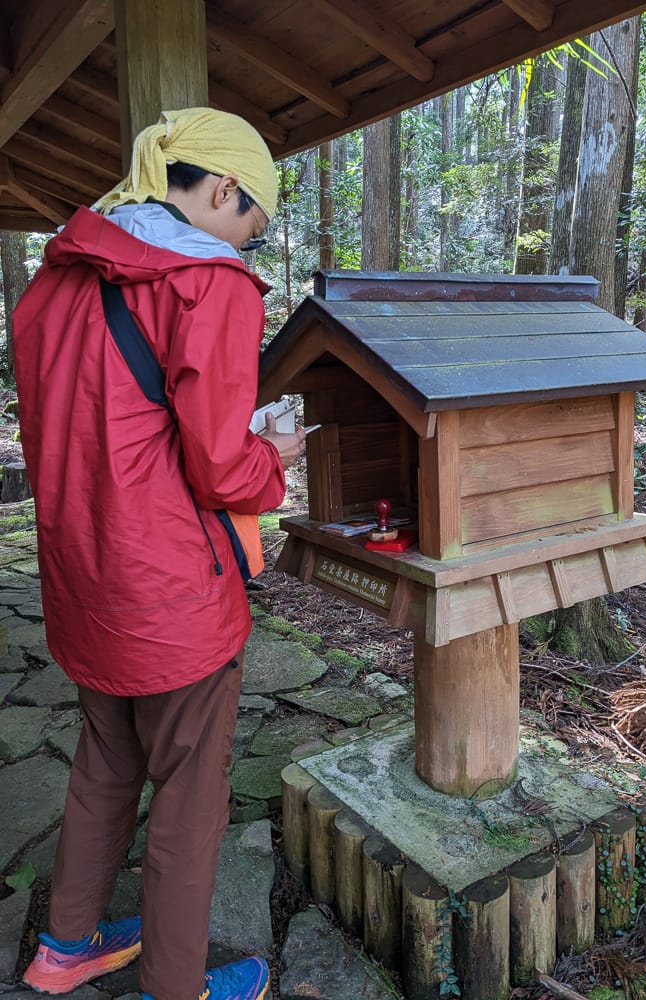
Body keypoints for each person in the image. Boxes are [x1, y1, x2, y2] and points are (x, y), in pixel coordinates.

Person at [13, 107, 305, 1000]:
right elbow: (219, 465)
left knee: (105, 758)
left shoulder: (50, 286)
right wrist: (275, 462)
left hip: (83, 577)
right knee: (188, 792)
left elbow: (101, 432)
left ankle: (67, 947)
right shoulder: (205, 286)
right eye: (251, 225)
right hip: (173, 590)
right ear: (222, 190)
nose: (249, 246)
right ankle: (177, 988)